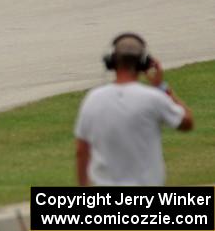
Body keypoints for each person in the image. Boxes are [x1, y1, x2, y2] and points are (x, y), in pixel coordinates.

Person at [74, 33, 193, 186]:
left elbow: (81, 150)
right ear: (143, 64)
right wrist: (161, 87)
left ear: (111, 62)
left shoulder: (93, 99)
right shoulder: (153, 98)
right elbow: (187, 122)